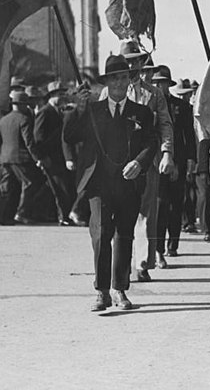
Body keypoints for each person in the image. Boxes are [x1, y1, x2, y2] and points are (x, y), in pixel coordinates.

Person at [63, 55, 157, 311]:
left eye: (123, 77)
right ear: (107, 82)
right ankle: (101, 291)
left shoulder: (142, 113)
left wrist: (139, 162)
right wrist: (79, 108)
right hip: (99, 185)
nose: (119, 82)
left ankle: (119, 289)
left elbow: (151, 143)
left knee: (124, 235)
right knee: (101, 234)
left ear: (129, 81)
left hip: (129, 183)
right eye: (114, 78)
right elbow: (69, 136)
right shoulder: (92, 111)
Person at [101, 39, 175, 282]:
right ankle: (120, 266)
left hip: (146, 160)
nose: (132, 66)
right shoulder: (108, 91)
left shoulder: (153, 93)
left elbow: (164, 123)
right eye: (127, 62)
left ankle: (141, 263)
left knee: (145, 212)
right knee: (117, 215)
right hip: (116, 164)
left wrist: (166, 153)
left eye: (136, 61)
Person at [153, 68, 196, 266]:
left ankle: (173, 245)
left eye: (161, 82)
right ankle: (158, 250)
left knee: (176, 205)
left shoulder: (181, 106)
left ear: (167, 85)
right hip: (156, 163)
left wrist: (189, 162)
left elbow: (188, 136)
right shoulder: (150, 106)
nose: (157, 86)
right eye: (155, 82)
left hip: (177, 161)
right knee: (161, 206)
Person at [0, 89, 47, 225]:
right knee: (29, 183)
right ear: (23, 104)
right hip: (20, 158)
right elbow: (28, 142)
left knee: (6, 188)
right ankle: (22, 213)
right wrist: (37, 158)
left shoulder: (2, 120)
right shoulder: (24, 119)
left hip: (4, 159)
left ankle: (0, 216)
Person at [33, 81, 75, 226]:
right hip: (50, 157)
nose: (62, 97)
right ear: (51, 96)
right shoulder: (45, 112)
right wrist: (42, 157)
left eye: (63, 94)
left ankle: (50, 213)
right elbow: (38, 137)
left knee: (57, 187)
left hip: (58, 157)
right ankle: (63, 216)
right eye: (59, 94)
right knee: (60, 188)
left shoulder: (60, 112)